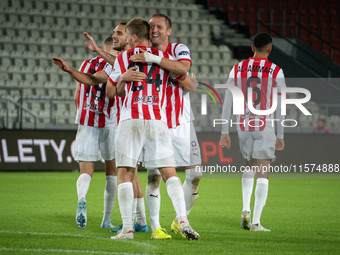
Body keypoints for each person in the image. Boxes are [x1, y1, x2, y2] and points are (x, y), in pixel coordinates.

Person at [106, 18, 199, 240]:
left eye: (127, 36)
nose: (126, 40)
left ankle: (127, 229)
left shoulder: (123, 58)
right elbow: (185, 78)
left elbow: (111, 92)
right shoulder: (164, 59)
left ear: (134, 37)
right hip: (158, 120)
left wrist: (123, 79)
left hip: (131, 119)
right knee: (170, 173)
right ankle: (182, 219)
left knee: (125, 174)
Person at [220, 32, 285, 232]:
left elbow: (228, 99)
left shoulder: (238, 68)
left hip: (243, 124)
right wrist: (281, 134)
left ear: (252, 48)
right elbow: (281, 104)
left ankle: (245, 209)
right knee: (263, 171)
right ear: (270, 49)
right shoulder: (276, 70)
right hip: (264, 125)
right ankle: (255, 222)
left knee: (249, 166)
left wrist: (224, 130)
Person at [73, 36, 117, 229]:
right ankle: (106, 220)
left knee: (86, 171)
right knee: (112, 172)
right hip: (109, 121)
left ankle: (82, 197)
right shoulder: (115, 66)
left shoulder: (85, 64)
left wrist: (82, 112)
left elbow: (77, 95)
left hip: (86, 120)